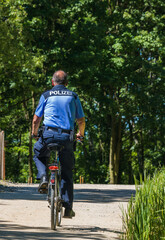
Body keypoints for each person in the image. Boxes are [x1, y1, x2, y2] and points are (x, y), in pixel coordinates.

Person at [32, 70, 85, 218]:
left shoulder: (46, 95)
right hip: (67, 137)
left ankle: (43, 176)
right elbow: (80, 120)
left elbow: (36, 119)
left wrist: (34, 134)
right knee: (67, 171)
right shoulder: (73, 96)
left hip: (48, 135)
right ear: (67, 83)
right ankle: (67, 208)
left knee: (39, 153)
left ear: (52, 82)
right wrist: (80, 134)